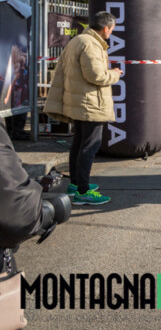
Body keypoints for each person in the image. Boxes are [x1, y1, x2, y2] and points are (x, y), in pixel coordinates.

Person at [43, 11, 122, 205]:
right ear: (106, 28)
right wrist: (115, 74)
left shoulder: (78, 40)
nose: (112, 32)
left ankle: (76, 184)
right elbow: (96, 76)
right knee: (90, 146)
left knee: (79, 144)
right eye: (112, 29)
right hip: (91, 103)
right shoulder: (91, 44)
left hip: (79, 101)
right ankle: (83, 191)